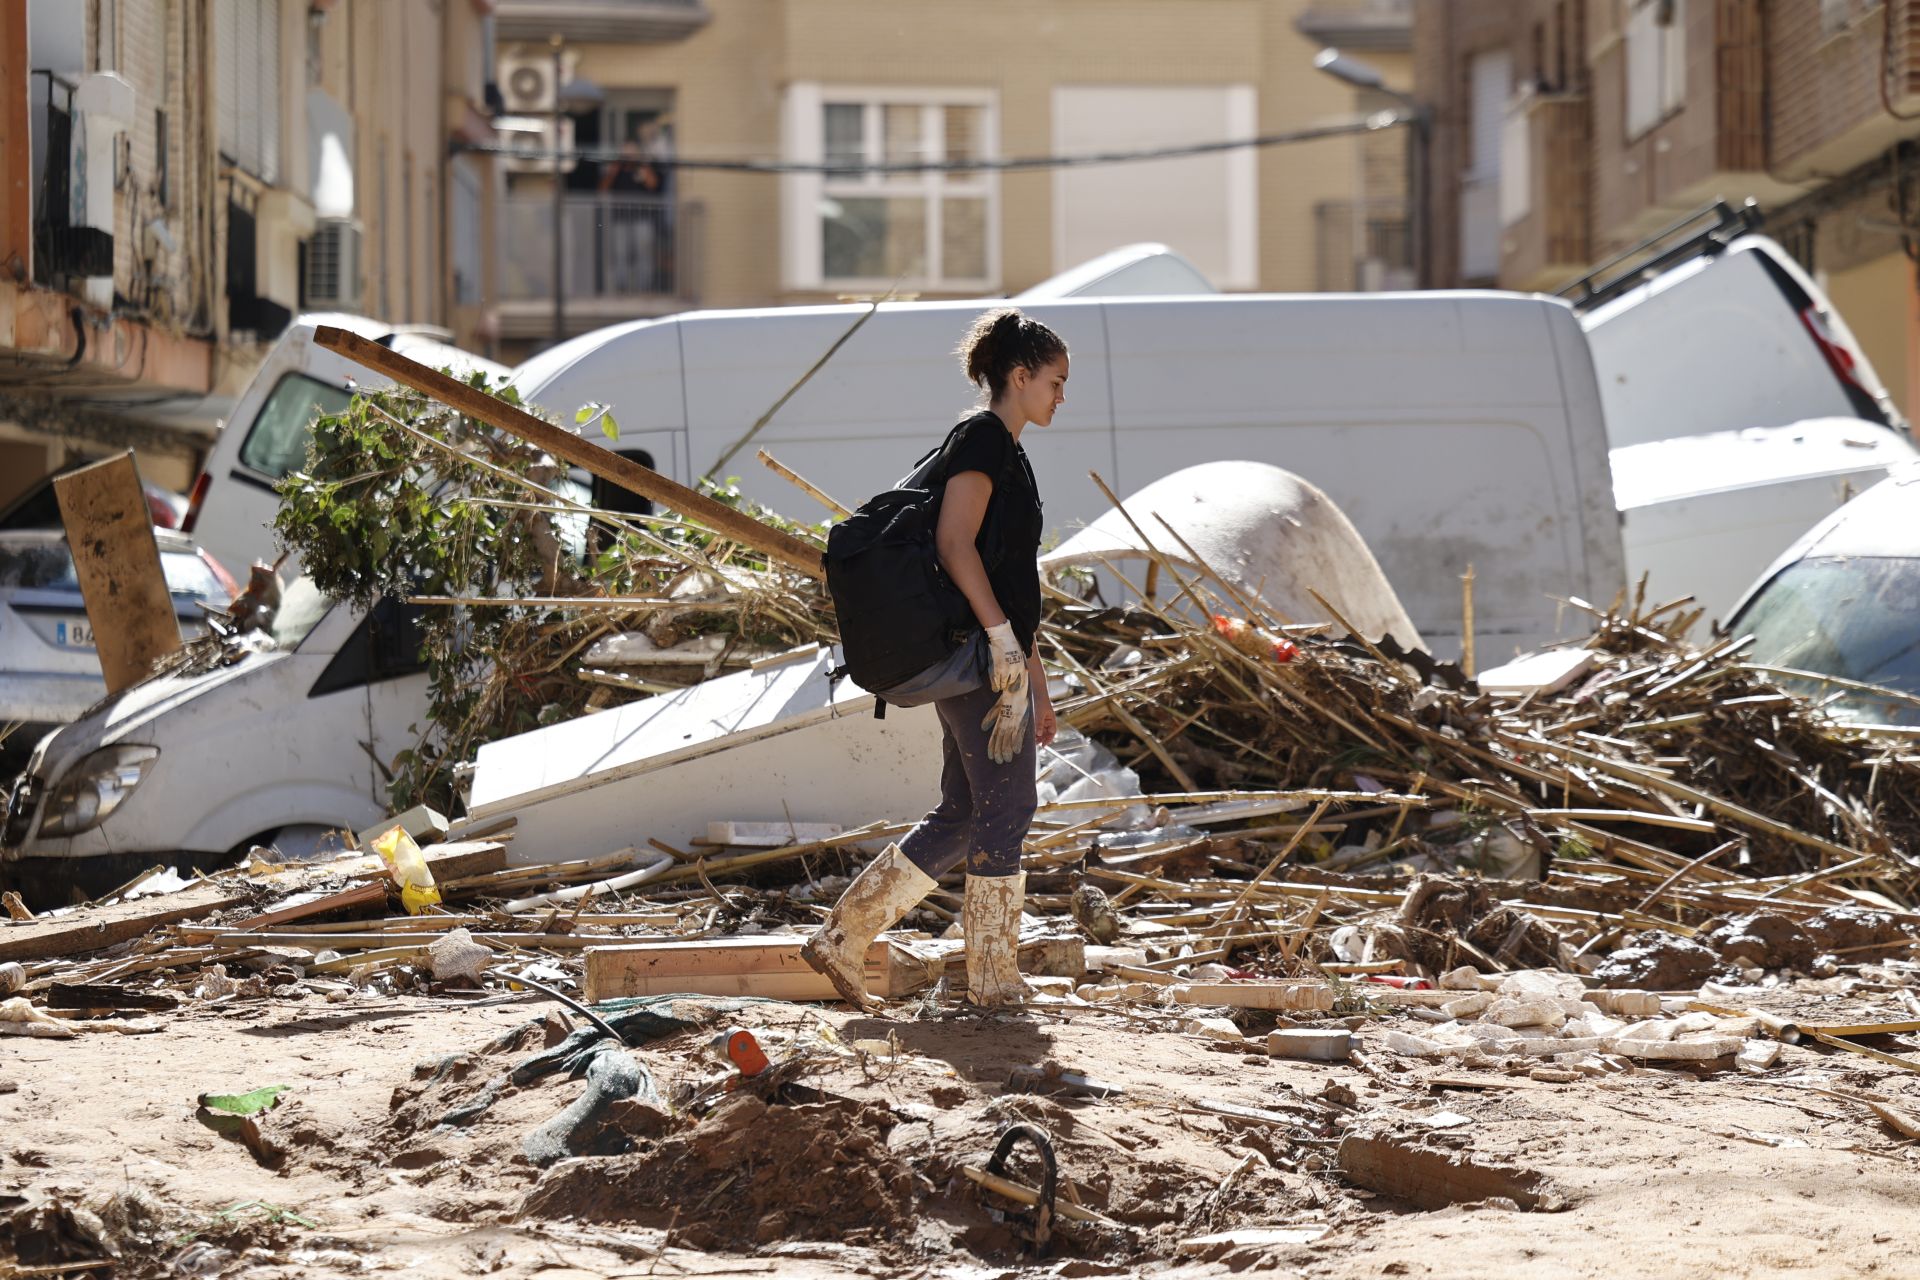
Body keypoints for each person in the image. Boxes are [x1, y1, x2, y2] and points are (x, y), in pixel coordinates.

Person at [802, 308, 1069, 1009]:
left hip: (993, 652)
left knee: (963, 810)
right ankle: (991, 977)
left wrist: (1033, 675)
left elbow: (1011, 577)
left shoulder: (1007, 451)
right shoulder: (983, 439)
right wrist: (1003, 644)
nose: (1061, 395)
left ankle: (843, 936)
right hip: (977, 651)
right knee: (1009, 804)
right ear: (1019, 376)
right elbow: (954, 545)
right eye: (1054, 381)